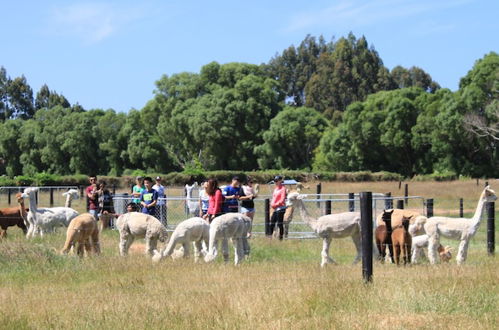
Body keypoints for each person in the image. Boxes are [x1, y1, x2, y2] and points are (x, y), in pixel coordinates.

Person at [268, 175, 287, 240]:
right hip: (275, 208)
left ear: (280, 181)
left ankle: (280, 238)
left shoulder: (283, 189)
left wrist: (275, 204)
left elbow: (282, 199)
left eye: (276, 181)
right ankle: (270, 237)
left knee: (279, 224)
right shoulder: (275, 189)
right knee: (272, 223)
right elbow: (274, 197)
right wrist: (271, 203)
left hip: (281, 208)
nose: (275, 182)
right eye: (275, 181)